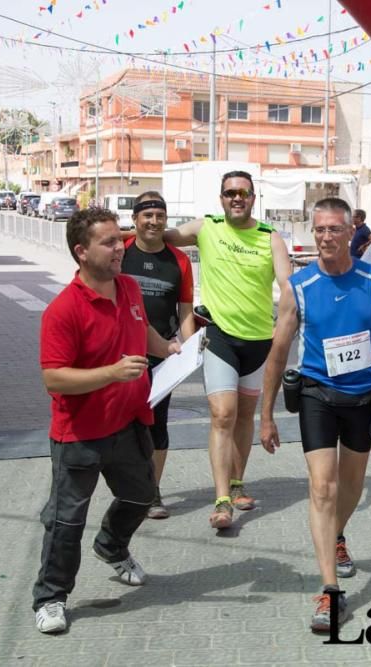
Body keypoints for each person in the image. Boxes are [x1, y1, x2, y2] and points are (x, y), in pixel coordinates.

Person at [259, 198, 371, 632]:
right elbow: (278, 354)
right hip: (317, 395)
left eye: (334, 230)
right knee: (323, 488)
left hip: (362, 397)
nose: (325, 238)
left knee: (352, 487)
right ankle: (329, 590)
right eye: (319, 230)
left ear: (350, 232)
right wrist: (265, 416)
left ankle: (335, 535)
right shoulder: (298, 287)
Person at [32, 207, 181, 635]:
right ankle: (50, 597)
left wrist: (170, 349)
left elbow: (145, 330)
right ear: (81, 252)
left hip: (129, 423)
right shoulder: (63, 310)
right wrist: (112, 373)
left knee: (141, 497)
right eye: (110, 242)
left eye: (121, 239)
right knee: (65, 521)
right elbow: (53, 378)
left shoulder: (129, 288)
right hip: (78, 435)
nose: (121, 248)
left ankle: (111, 546)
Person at [161, 170, 291, 530]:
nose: (237, 198)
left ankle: (237, 483)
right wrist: (113, 236)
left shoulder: (270, 237)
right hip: (219, 336)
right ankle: (221, 501)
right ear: (221, 198)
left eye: (243, 193)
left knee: (244, 417)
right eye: (230, 193)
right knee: (223, 414)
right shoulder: (207, 227)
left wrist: (287, 321)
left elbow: (286, 283)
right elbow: (161, 235)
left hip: (258, 341)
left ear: (253, 198)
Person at [121, 191, 195, 519]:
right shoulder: (119, 252)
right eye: (147, 216)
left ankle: (151, 492)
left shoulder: (178, 260)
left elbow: (185, 313)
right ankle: (125, 489)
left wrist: (191, 353)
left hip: (163, 354)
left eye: (159, 216)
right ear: (135, 219)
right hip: (120, 354)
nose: (153, 221)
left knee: (157, 426)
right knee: (121, 425)